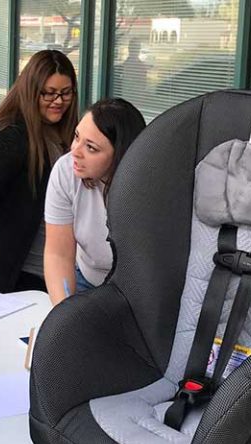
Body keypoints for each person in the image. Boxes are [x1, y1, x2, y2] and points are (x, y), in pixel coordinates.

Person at [0, 50, 78, 293]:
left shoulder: (67, 132)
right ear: (30, 90)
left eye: (66, 93)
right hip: (20, 268)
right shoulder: (8, 133)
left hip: (59, 264)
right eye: (49, 93)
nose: (58, 101)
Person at [44, 98, 146, 305]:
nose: (75, 151)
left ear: (120, 156)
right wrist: (62, 310)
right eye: (76, 137)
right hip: (87, 279)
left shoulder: (149, 187)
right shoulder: (66, 171)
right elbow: (58, 254)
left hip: (140, 290)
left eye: (91, 148)